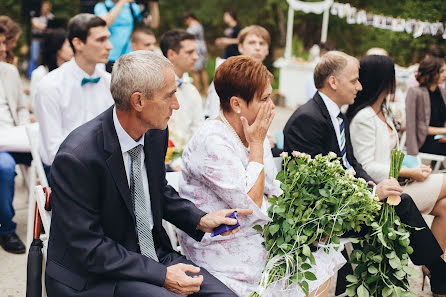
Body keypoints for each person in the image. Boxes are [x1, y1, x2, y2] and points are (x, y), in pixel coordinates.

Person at [45, 50, 251, 297]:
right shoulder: (77, 157)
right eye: (170, 96)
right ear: (138, 101)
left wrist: (199, 219)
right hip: (95, 276)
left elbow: (156, 190)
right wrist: (162, 276)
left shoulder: (155, 131)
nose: (176, 105)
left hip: (154, 255)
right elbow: (88, 247)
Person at [177, 56, 346, 297]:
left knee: (321, 248)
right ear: (237, 104)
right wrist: (257, 143)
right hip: (222, 243)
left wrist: (305, 223)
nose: (271, 106)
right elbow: (250, 203)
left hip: (256, 230)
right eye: (264, 99)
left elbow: (273, 189)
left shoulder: (252, 130)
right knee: (296, 263)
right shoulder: (212, 141)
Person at [283, 51, 446, 297]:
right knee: (402, 203)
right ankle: (437, 271)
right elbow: (315, 187)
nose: (359, 87)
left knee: (398, 202)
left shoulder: (336, 114)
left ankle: (434, 271)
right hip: (327, 216)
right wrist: (371, 194)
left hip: (350, 200)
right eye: (354, 81)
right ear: (333, 82)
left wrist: (368, 183)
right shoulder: (308, 118)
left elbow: (352, 163)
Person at [348, 54, 446, 258]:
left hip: (399, 182)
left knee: (445, 208)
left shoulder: (383, 111)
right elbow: (367, 167)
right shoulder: (364, 117)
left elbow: (390, 155)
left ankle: (434, 270)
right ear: (385, 80)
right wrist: (411, 171)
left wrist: (413, 172)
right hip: (383, 192)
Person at [33, 14, 114, 168]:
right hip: (65, 170)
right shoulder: (50, 86)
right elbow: (52, 152)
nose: (110, 46)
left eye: (108, 38)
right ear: (78, 43)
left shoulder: (111, 82)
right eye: (101, 40)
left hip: (106, 169)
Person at [0, 25, 31, 254]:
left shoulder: (9, 72)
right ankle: (7, 229)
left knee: (58, 156)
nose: (3, 49)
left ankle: (61, 220)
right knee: (4, 167)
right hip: (2, 150)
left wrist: (23, 131)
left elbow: (20, 108)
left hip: (15, 136)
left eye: (4, 43)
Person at [159, 29, 204, 168]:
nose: (196, 57)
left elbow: (198, 129)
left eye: (196, 52)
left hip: (190, 161)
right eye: (190, 52)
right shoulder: (155, 87)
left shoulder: (191, 90)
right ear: (172, 54)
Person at [205, 25, 270, 119]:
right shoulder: (226, 75)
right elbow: (215, 114)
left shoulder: (265, 76)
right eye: (252, 43)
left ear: (267, 50)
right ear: (240, 47)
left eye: (262, 43)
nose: (257, 48)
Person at [94, 0, 160, 72]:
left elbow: (153, 24)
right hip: (110, 56)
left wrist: (153, 5)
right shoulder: (102, 6)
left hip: (129, 57)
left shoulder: (131, 6)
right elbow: (105, 23)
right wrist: (122, 2)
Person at [405, 56, 446, 156]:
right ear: (431, 72)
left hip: (441, 138)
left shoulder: (443, 92)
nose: (445, 74)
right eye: (441, 71)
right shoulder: (415, 92)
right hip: (424, 141)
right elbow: (414, 125)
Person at [30, 28, 73, 104]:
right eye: (69, 46)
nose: (73, 50)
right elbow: (35, 103)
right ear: (58, 48)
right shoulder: (40, 73)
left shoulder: (71, 72)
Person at [184, 12, 208, 95]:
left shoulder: (193, 27)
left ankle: (197, 90)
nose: (185, 23)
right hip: (203, 49)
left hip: (197, 50)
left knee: (195, 71)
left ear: (189, 19)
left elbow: (188, 38)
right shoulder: (199, 25)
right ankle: (206, 88)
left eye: (185, 20)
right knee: (202, 70)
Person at [28, 1, 54, 77]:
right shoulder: (36, 15)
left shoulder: (50, 16)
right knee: (34, 58)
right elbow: (36, 24)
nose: (47, 8)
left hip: (46, 39)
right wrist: (47, 27)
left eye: (48, 6)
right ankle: (31, 75)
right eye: (45, 6)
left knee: (43, 58)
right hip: (36, 39)